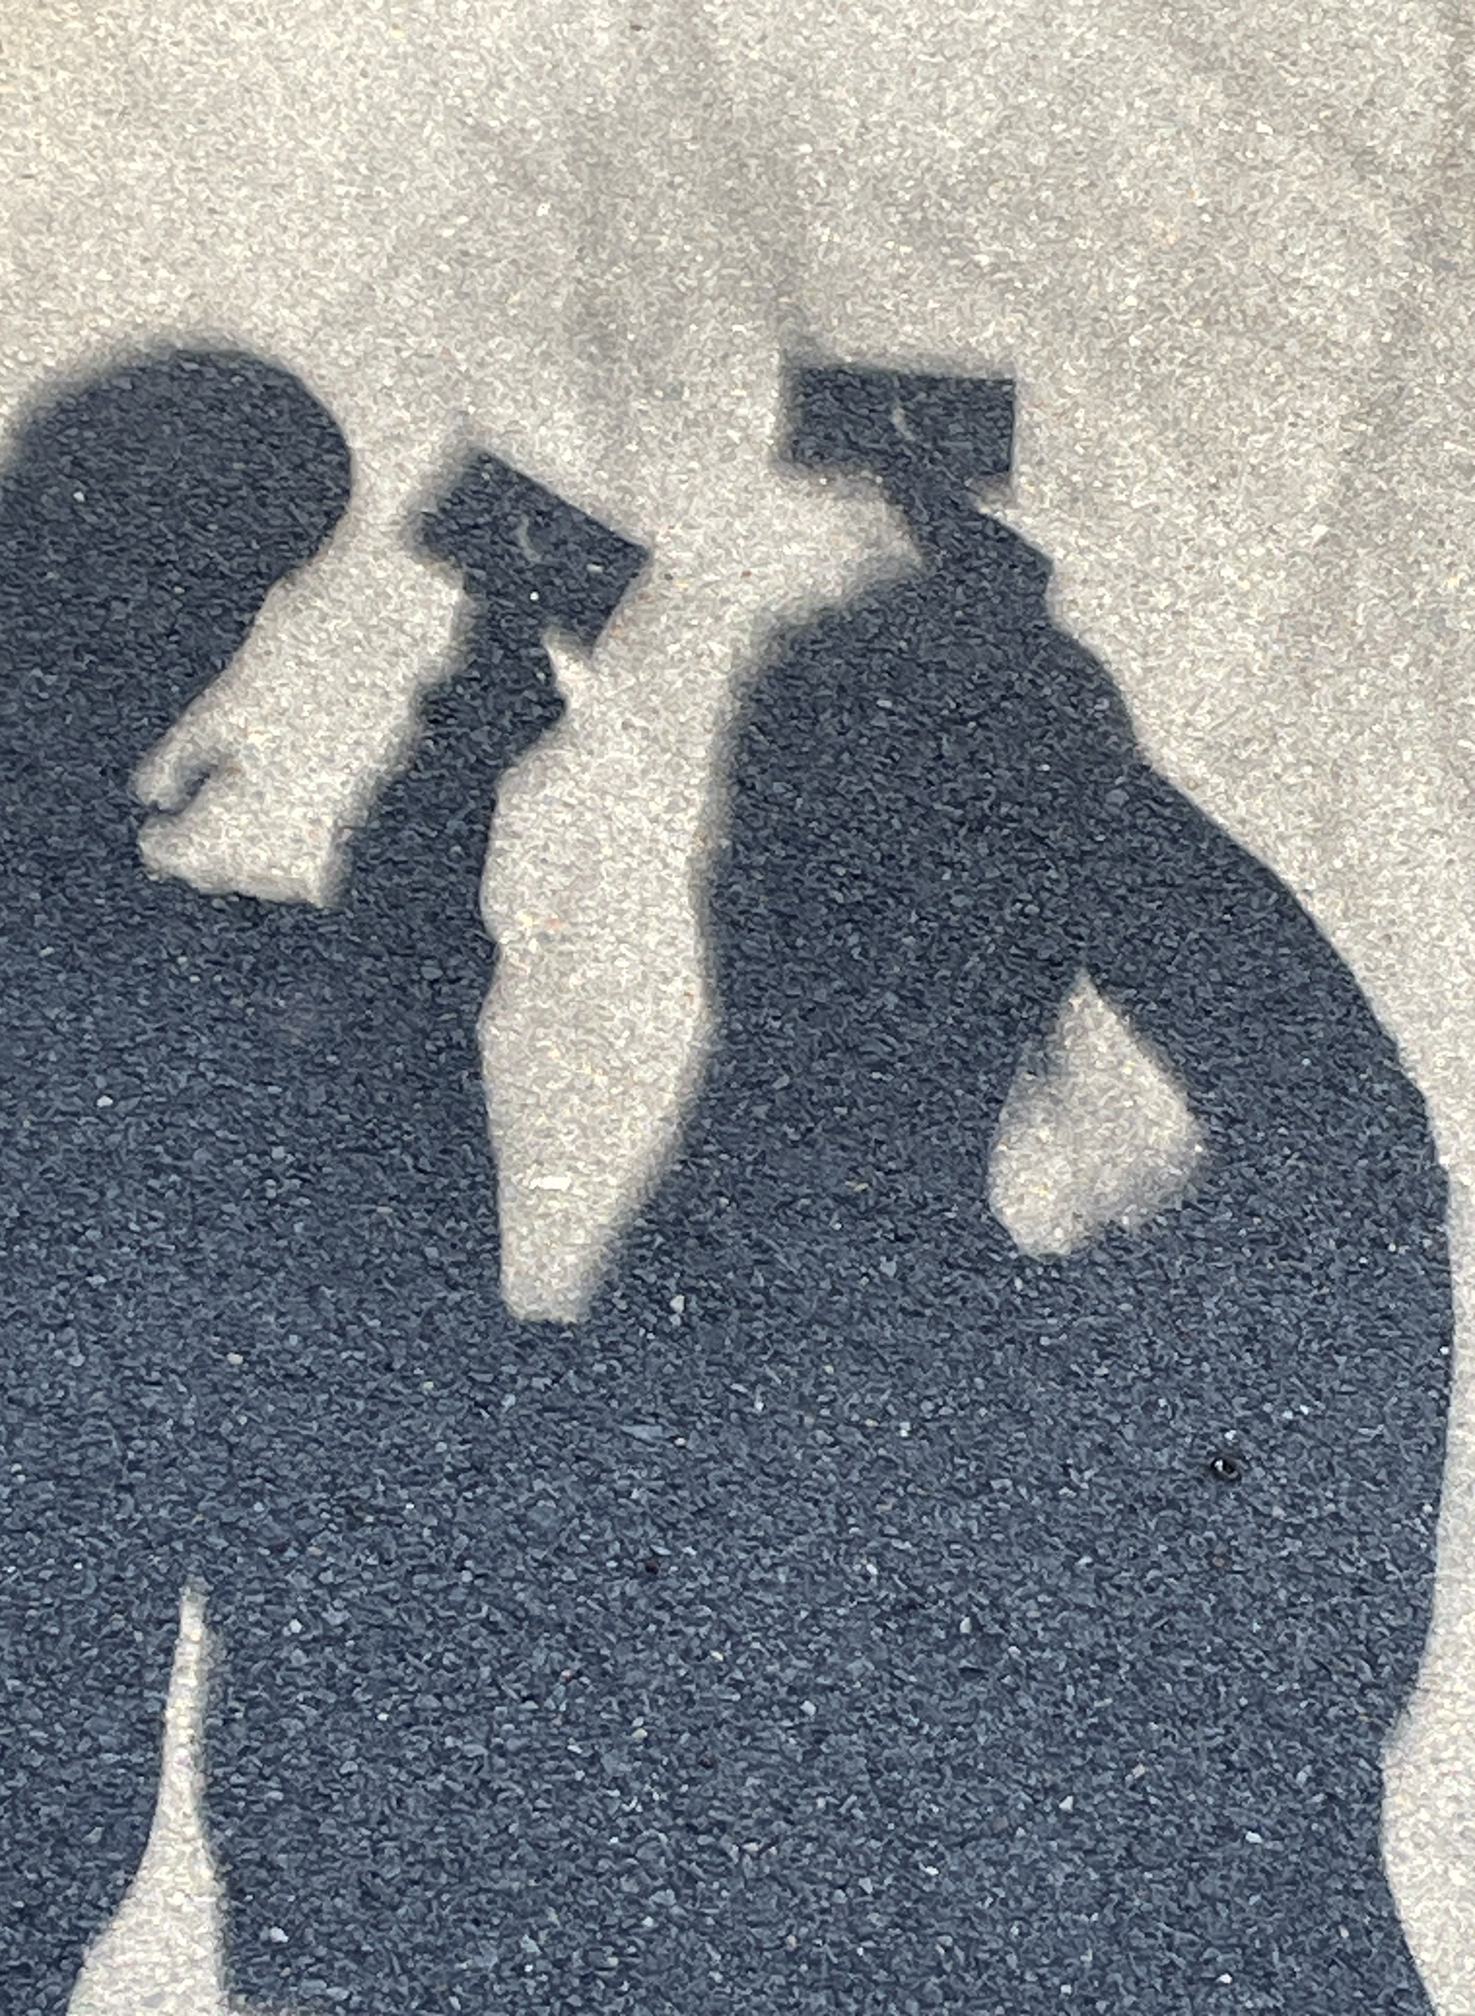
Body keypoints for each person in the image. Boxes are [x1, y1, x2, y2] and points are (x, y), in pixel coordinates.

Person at [404, 367, 1450, 2013]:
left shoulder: (543, 1461)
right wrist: (1055, 775)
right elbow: (1346, 1137)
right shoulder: (1186, 1417)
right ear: (1048, 949)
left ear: (734, 906)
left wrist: (451, 767)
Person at [0, 350, 649, 2016]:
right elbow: (334, 1087)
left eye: (213, 593)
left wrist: (446, 791)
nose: (188, 641)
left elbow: (312, 1053)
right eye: (173, 578)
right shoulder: (144, 1000)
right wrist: (457, 767)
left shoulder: (128, 978)